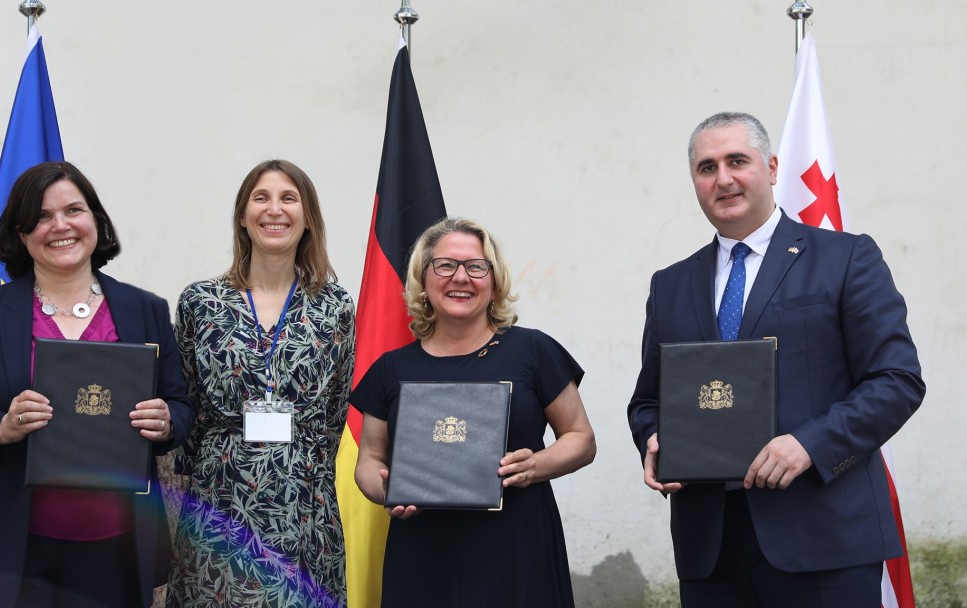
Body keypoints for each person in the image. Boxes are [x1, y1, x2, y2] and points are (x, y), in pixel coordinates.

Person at [627, 111, 925, 607]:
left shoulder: (846, 258)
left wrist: (810, 444)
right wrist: (655, 437)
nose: (722, 179)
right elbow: (648, 399)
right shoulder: (670, 284)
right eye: (706, 168)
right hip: (711, 549)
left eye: (736, 161)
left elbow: (896, 381)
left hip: (824, 539)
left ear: (771, 168)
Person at [0, 161, 195, 608]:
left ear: (96, 221)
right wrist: (0, 427)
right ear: (21, 232)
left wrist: (166, 421)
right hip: (3, 541)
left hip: (114, 546)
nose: (60, 226)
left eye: (74, 210)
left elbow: (181, 406)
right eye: (43, 216)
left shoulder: (144, 309)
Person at [352, 217, 597, 607]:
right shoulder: (391, 368)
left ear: (494, 281)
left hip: (517, 545)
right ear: (423, 279)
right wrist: (385, 489)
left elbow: (581, 439)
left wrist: (536, 464)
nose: (460, 277)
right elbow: (369, 459)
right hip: (422, 551)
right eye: (445, 265)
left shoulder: (533, 351)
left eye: (475, 267)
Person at [167, 160, 355, 607]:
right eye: (261, 197)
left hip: (303, 497)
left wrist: (299, 462)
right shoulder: (201, 302)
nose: (275, 210)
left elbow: (335, 411)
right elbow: (186, 399)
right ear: (242, 216)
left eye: (289, 198)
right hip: (222, 492)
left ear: (308, 218)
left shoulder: (335, 307)